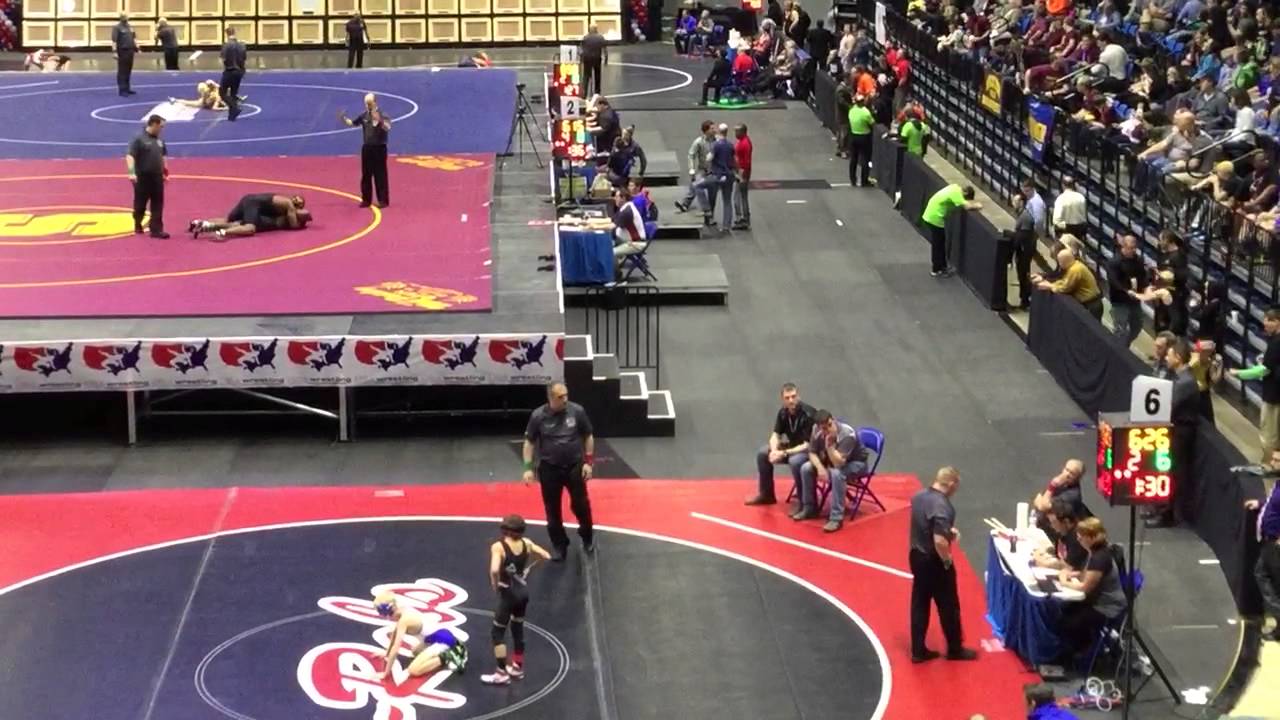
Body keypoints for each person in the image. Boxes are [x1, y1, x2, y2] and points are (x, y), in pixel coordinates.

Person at [909, 466, 977, 663]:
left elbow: (925, 523)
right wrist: (947, 560)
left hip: (916, 555)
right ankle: (955, 648)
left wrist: (947, 531)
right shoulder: (943, 506)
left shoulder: (918, 497)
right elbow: (939, 541)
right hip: (934, 560)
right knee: (948, 604)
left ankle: (918, 650)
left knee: (920, 602)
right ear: (952, 484)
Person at [522, 382, 595, 560]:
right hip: (549, 468)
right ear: (551, 398)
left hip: (574, 466)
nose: (565, 399)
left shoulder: (577, 411)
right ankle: (560, 545)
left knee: (581, 504)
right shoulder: (538, 416)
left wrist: (588, 463)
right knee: (552, 509)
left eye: (566, 395)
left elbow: (588, 435)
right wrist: (527, 468)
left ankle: (587, 535)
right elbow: (529, 442)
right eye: (561, 397)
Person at [479, 514, 552, 685]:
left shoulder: (499, 547)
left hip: (508, 593)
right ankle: (517, 668)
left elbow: (495, 569)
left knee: (497, 633)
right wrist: (528, 569)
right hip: (523, 593)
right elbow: (546, 555)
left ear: (505, 530)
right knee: (517, 629)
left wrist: (494, 583)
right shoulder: (527, 543)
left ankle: (501, 672)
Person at [1057, 518, 1128, 658]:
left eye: (1081, 536)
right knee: (1063, 609)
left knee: (1068, 622)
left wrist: (1063, 581)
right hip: (1097, 601)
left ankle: (1079, 652)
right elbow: (1088, 574)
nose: (1078, 539)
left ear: (1091, 537)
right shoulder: (1094, 551)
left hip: (1107, 608)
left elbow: (1085, 587)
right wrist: (1075, 574)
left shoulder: (1099, 558)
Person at [794, 410, 869, 533]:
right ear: (819, 427)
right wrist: (820, 468)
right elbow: (812, 452)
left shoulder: (847, 434)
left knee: (837, 474)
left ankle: (836, 518)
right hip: (831, 461)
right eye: (824, 428)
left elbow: (838, 463)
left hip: (856, 463)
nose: (828, 429)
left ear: (833, 420)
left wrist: (829, 446)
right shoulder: (816, 430)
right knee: (806, 468)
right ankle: (810, 508)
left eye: (829, 425)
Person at [372, 592, 469, 682]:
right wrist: (386, 653)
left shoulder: (404, 620)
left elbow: (396, 648)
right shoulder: (402, 610)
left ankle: (448, 656)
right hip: (436, 637)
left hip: (442, 640)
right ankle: (447, 650)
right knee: (415, 651)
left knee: (413, 670)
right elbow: (395, 634)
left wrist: (386, 673)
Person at [747, 382, 816, 506]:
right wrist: (774, 451)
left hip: (808, 450)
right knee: (763, 453)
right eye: (787, 398)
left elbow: (807, 445)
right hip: (792, 446)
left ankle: (803, 502)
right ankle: (767, 495)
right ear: (782, 399)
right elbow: (775, 435)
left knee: (795, 461)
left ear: (798, 396)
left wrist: (783, 453)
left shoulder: (808, 414)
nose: (791, 401)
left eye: (793, 396)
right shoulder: (783, 413)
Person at [1231, 309, 1280, 464]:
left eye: (1268, 321)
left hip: (1274, 396)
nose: (1265, 324)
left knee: (1269, 435)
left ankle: (1268, 465)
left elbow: (1265, 370)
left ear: (1277, 322)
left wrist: (1240, 373)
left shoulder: (1276, 343)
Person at [188, 194, 311, 241]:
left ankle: (201, 223)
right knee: (250, 228)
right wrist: (303, 224)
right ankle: (222, 233)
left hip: (248, 200)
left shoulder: (283, 203)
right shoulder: (289, 205)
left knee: (230, 221)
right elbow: (294, 225)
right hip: (254, 205)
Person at [340, 94, 391, 208]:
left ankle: (383, 200)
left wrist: (379, 120)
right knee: (366, 174)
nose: (368, 106)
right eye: (366, 104)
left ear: (375, 102)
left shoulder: (383, 114)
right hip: (367, 148)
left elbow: (388, 127)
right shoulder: (364, 115)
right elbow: (353, 123)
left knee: (380, 174)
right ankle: (366, 199)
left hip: (379, 148)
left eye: (370, 103)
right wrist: (344, 119)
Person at [1244, 479, 1280, 642]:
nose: (1273, 465)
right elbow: (1274, 504)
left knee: (1272, 580)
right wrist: (1260, 504)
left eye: (1277, 464)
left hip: (1276, 542)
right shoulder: (1278, 484)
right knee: (1261, 573)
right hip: (1269, 541)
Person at [921, 184, 982, 277]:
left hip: (931, 214)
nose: (964, 199)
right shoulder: (957, 194)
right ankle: (936, 269)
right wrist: (978, 205)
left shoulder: (954, 187)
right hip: (935, 218)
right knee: (938, 245)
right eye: (965, 198)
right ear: (965, 193)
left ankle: (943, 267)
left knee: (941, 242)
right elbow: (967, 206)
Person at [126, 115, 169, 240]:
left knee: (158, 203)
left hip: (157, 177)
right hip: (142, 177)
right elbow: (130, 156)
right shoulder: (139, 139)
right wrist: (131, 172)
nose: (162, 129)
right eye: (161, 126)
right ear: (154, 125)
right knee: (140, 204)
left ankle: (156, 229)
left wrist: (165, 172)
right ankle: (138, 222)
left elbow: (163, 156)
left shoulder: (160, 141)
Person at [1033, 248, 1104, 320]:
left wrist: (1050, 286)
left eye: (1060, 262)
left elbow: (1065, 288)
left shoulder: (1075, 270)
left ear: (1065, 261)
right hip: (1091, 304)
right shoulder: (1075, 265)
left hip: (1091, 306)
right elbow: (1063, 281)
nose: (1059, 264)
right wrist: (1050, 283)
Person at [1108, 234, 1148, 346]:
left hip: (1135, 300)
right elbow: (1113, 280)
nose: (1133, 250)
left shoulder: (1138, 260)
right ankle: (1118, 349)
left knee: (1137, 326)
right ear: (1124, 247)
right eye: (1131, 248)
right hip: (1120, 300)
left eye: (1135, 248)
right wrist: (1126, 290)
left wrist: (1146, 286)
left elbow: (1142, 276)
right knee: (1120, 329)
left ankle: (1125, 345)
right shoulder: (1115, 261)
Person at [695, 123, 736, 233]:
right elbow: (734, 160)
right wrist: (736, 173)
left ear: (719, 131)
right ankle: (726, 226)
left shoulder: (716, 145)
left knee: (698, 186)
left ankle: (707, 209)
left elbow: (709, 158)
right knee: (727, 201)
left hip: (717, 175)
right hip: (729, 176)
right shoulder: (730, 145)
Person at [1031, 459, 1089, 534]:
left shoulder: (1072, 495)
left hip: (1054, 532)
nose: (1067, 474)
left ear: (1078, 477)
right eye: (1067, 470)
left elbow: (1043, 506)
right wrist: (1042, 503)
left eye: (1072, 473)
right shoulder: (1061, 482)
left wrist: (1052, 486)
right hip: (1041, 524)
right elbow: (1038, 497)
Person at [1032, 499, 1089, 572]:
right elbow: (1059, 553)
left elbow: (1069, 566)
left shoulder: (1077, 538)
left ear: (1066, 521)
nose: (1052, 526)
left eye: (1054, 522)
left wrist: (1043, 564)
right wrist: (1044, 552)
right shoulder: (1062, 532)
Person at [1006, 191, 1037, 309]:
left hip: (1025, 249)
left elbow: (1021, 237)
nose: (1013, 203)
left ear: (1022, 202)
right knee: (1022, 274)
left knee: (1023, 274)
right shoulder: (1021, 214)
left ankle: (1025, 300)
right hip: (1023, 248)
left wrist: (1011, 254)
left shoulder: (1025, 217)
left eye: (1015, 201)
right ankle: (1024, 298)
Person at [675, 121, 714, 213]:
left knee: (698, 185)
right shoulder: (699, 142)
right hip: (703, 170)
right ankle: (686, 204)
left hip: (715, 170)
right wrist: (691, 169)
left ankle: (686, 203)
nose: (714, 130)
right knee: (695, 184)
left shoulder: (717, 141)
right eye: (712, 128)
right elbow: (691, 155)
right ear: (706, 130)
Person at [609, 188, 647, 261]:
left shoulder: (627, 211)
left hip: (635, 244)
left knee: (609, 252)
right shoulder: (626, 207)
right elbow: (611, 220)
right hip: (627, 240)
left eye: (616, 197)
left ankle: (614, 268)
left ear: (623, 198)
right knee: (607, 244)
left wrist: (592, 226)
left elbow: (611, 227)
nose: (614, 199)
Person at [219, 27, 247, 121]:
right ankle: (232, 115)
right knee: (233, 93)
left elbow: (223, 59)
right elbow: (244, 59)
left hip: (229, 71)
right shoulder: (242, 45)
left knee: (222, 92)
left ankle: (234, 108)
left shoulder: (226, 45)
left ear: (226, 34)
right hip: (239, 72)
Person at [847, 94, 875, 188]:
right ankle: (864, 181)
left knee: (853, 159)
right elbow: (872, 123)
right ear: (863, 102)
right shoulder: (865, 112)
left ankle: (853, 179)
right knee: (865, 159)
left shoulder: (851, 110)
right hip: (864, 137)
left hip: (853, 136)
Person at [1052, 176, 1087, 242]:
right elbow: (1084, 217)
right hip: (1079, 230)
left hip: (1066, 230)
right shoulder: (1081, 197)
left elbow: (1056, 221)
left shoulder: (1060, 199)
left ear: (1063, 185)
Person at [112, 13, 138, 97]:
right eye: (124, 16)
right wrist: (114, 52)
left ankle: (127, 88)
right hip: (122, 51)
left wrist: (137, 46)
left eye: (127, 16)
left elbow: (134, 37)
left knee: (128, 70)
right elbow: (114, 41)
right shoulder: (117, 27)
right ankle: (122, 90)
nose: (126, 18)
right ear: (121, 18)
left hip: (130, 51)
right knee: (122, 71)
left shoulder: (130, 27)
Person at [732, 124, 753, 231]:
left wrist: (742, 175)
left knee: (740, 197)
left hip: (742, 173)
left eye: (737, 131)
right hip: (741, 172)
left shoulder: (745, 144)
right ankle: (744, 218)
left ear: (743, 132)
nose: (735, 134)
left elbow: (746, 161)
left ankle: (743, 219)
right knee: (741, 196)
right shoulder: (743, 141)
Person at [581, 25, 608, 97]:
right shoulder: (600, 37)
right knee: (597, 76)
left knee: (586, 76)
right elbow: (605, 49)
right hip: (597, 58)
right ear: (596, 29)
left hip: (587, 59)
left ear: (589, 30)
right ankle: (597, 92)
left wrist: (581, 59)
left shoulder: (585, 37)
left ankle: (584, 93)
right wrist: (606, 59)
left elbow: (582, 50)